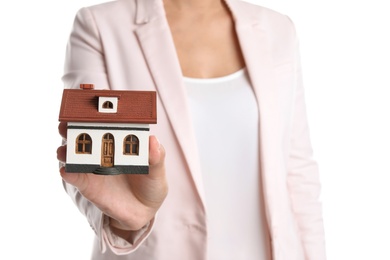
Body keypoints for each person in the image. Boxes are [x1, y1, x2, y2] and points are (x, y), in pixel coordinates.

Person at [56, 0, 326, 259]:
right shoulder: (100, 25)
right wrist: (124, 220)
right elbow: (87, 157)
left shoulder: (278, 29)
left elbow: (297, 170)